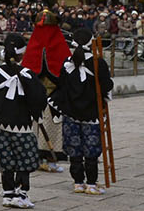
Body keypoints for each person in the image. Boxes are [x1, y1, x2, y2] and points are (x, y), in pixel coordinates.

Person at [48, 27, 114, 195]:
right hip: (91, 112)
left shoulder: (67, 63)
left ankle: (78, 182)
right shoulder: (99, 63)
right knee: (91, 149)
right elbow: (107, 86)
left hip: (71, 112)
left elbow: (61, 86)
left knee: (75, 148)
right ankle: (91, 183)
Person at [0, 33, 47, 209]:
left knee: (5, 158)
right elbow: (39, 98)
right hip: (21, 124)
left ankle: (8, 191)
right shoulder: (28, 74)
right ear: (22, 54)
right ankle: (21, 192)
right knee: (24, 159)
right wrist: (37, 114)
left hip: (0, 123)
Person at [23, 8, 71, 172]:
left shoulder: (54, 43)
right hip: (40, 95)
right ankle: (40, 158)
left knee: (51, 126)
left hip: (53, 96)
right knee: (38, 126)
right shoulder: (42, 43)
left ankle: (49, 158)